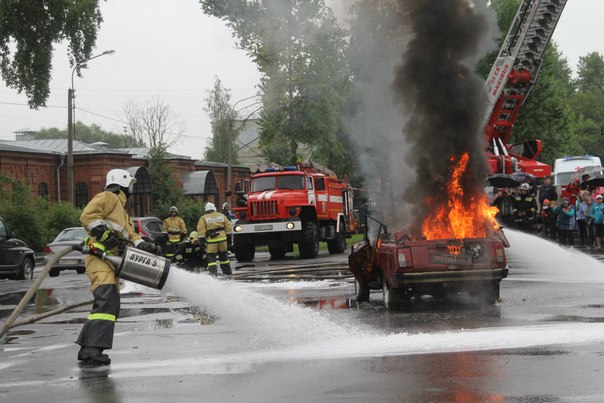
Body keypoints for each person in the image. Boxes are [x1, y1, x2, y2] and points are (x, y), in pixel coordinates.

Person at [77, 169, 156, 366]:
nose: (132, 189)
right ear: (123, 183)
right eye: (130, 184)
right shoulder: (108, 197)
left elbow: (132, 237)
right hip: (99, 259)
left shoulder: (121, 210)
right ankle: (93, 350)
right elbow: (88, 216)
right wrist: (105, 236)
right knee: (107, 303)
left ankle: (87, 349)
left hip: (111, 262)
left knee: (106, 303)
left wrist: (147, 246)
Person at [197, 202, 233, 276]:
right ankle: (227, 272)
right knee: (224, 257)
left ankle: (213, 275)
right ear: (214, 208)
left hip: (212, 241)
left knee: (211, 257)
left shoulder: (203, 218)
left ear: (206, 210)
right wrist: (229, 239)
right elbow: (229, 226)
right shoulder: (221, 215)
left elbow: (201, 230)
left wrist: (202, 242)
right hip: (222, 240)